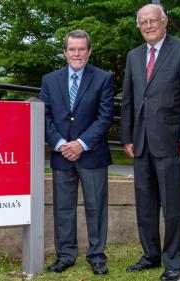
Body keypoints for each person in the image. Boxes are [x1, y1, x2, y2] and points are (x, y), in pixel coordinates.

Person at [120, 4, 180, 281]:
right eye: (142, 22)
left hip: (171, 142)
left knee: (172, 206)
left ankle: (174, 262)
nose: (148, 25)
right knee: (145, 204)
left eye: (153, 20)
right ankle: (151, 255)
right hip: (141, 143)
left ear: (165, 21)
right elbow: (130, 100)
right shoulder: (133, 56)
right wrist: (127, 137)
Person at [40, 29, 114, 275]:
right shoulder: (50, 80)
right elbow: (45, 116)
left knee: (96, 207)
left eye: (82, 49)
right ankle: (66, 255)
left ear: (89, 51)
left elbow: (105, 119)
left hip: (92, 154)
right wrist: (61, 143)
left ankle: (97, 256)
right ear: (64, 52)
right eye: (72, 49)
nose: (77, 53)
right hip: (61, 155)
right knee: (63, 207)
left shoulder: (103, 79)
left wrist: (80, 144)